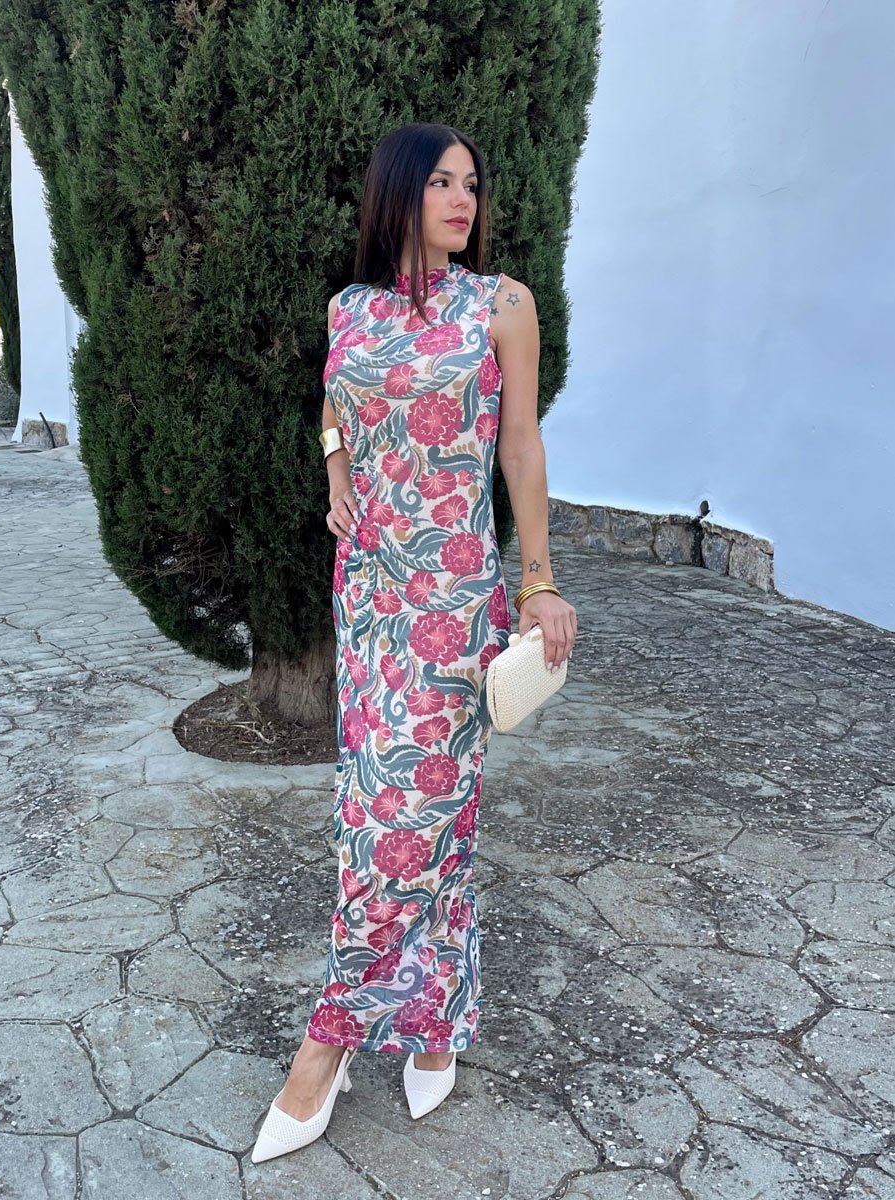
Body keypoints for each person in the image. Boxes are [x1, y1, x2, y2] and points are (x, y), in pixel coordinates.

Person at [252, 122, 577, 1163]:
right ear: (397, 192)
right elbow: (334, 410)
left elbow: (520, 444)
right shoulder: (348, 309)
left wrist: (538, 581)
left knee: (410, 816)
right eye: (440, 181)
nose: (461, 199)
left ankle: (328, 1040)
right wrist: (337, 477)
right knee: (375, 812)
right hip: (367, 597)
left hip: (452, 600)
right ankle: (434, 1016)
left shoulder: (502, 305)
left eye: (471, 183)